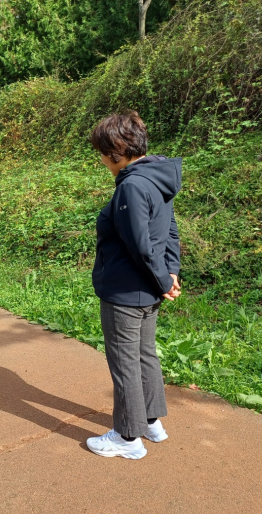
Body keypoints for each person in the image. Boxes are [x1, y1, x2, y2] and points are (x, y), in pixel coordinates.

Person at [86, 111, 182, 460]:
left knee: (125, 361)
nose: (101, 159)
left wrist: (162, 279)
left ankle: (128, 438)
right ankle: (151, 422)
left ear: (117, 150)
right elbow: (169, 232)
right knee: (145, 355)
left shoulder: (131, 185)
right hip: (149, 290)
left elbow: (139, 245)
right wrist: (169, 276)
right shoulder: (158, 178)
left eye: (102, 151)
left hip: (126, 292)